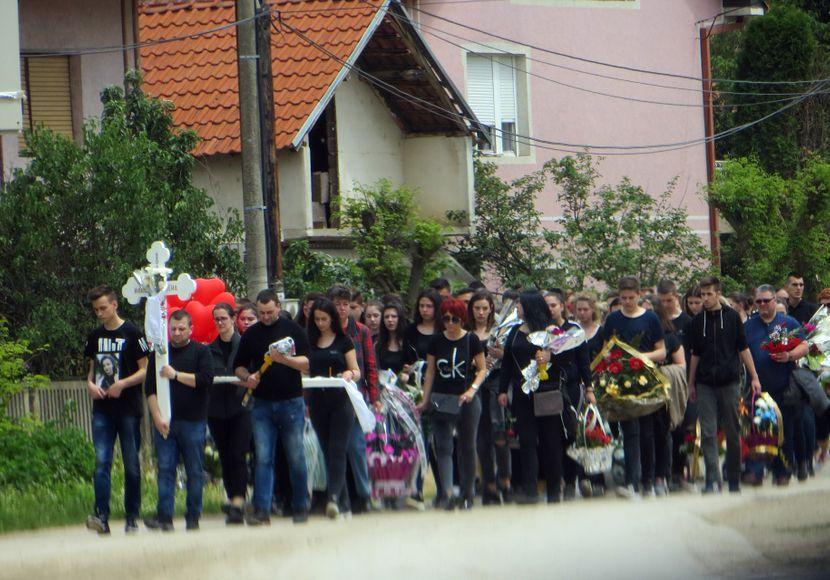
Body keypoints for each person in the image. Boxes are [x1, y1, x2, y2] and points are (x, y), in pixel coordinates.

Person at [234, 289, 311, 525]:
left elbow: (307, 364)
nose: (266, 316)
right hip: (262, 404)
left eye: (269, 312)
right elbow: (238, 366)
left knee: (295, 456)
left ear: (278, 307)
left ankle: (300, 505)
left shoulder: (293, 330)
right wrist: (248, 377)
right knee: (263, 457)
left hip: (291, 401)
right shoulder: (251, 334)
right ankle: (262, 510)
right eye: (261, 312)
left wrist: (284, 360)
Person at [83, 285, 151, 535]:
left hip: (129, 409)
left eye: (103, 308)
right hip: (102, 408)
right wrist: (90, 384)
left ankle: (132, 515)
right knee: (102, 462)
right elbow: (91, 370)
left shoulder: (133, 333)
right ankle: (101, 514)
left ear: (115, 305)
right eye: (96, 310)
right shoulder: (94, 336)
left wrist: (123, 383)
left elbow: (145, 369)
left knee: (132, 464)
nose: (99, 313)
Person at [688, 278, 761, 495]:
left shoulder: (731, 318)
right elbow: (695, 354)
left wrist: (754, 377)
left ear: (718, 293)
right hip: (705, 383)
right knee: (708, 432)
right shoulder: (696, 321)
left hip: (729, 381)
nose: (705, 298)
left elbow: (743, 348)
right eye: (702, 294)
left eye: (709, 294)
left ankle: (733, 476)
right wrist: (690, 383)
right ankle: (712, 478)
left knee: (733, 431)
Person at [144, 310, 215, 531]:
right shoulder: (159, 354)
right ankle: (164, 516)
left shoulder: (201, 352)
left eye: (181, 328)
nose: (176, 333)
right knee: (165, 469)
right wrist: (156, 417)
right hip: (165, 421)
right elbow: (150, 388)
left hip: (193, 421)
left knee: (194, 470)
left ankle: (193, 516)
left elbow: (205, 381)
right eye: (173, 329)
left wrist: (176, 375)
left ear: (190, 329)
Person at [498, 291, 568, 504]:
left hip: (546, 392)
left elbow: (566, 358)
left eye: (519, 305)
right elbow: (508, 362)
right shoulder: (515, 332)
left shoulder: (551, 331)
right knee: (527, 442)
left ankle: (554, 488)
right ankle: (530, 490)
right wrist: (503, 390)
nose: (517, 309)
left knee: (551, 442)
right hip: (522, 394)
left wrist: (550, 356)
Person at [602, 277, 666, 500]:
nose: (627, 302)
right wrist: (615, 361)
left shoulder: (650, 318)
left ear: (639, 295)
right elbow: (606, 350)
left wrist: (638, 357)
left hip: (646, 380)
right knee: (630, 432)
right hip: (623, 381)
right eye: (623, 298)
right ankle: (631, 482)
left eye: (631, 298)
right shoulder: (612, 319)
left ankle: (648, 481)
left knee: (647, 433)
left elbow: (661, 351)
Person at [419, 298, 486, 509]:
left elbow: (482, 369)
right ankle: (446, 492)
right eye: (446, 318)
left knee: (467, 446)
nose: (450, 323)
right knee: (443, 446)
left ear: (462, 319)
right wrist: (425, 398)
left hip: (465, 398)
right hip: (441, 397)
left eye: (454, 319)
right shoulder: (436, 341)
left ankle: (467, 493)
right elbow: (430, 371)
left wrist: (472, 390)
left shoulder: (471, 339)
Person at [744, 284, 809, 486]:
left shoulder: (787, 322)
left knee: (784, 431)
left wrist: (789, 355)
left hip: (783, 386)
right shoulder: (748, 325)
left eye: (766, 300)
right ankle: (756, 471)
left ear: (775, 301)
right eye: (759, 301)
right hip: (757, 387)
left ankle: (783, 471)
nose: (762, 304)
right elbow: (741, 350)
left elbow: (805, 345)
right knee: (757, 430)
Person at [306, 298, 362, 519]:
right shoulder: (309, 341)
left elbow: (356, 370)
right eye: (317, 319)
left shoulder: (343, 341)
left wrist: (349, 374)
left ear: (333, 319)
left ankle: (333, 498)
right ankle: (344, 502)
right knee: (328, 450)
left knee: (338, 448)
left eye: (325, 319)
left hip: (341, 401)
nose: (321, 323)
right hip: (318, 401)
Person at [328, 284, 379, 514]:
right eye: (337, 304)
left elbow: (370, 365)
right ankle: (338, 496)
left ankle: (364, 494)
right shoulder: (324, 330)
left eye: (345, 304)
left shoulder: (361, 331)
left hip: (355, 396)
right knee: (333, 448)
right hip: (329, 396)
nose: (341, 309)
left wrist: (374, 396)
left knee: (357, 446)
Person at [545, 291, 596, 500]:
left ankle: (572, 479)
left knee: (572, 433)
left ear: (562, 306)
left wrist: (590, 388)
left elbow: (584, 362)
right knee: (552, 437)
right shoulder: (540, 332)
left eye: (553, 305)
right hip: (548, 387)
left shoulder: (574, 331)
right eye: (547, 305)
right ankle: (556, 481)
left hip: (572, 387)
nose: (550, 309)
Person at [207, 303, 250, 525]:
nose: (220, 323)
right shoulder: (209, 349)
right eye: (217, 319)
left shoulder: (244, 345)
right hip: (216, 410)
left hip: (240, 408)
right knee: (224, 456)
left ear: (233, 319)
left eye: (224, 318)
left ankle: (238, 500)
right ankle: (231, 494)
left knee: (237, 454)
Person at [468, 290, 513, 505]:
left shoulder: (500, 330)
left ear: (491, 309)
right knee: (482, 440)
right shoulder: (466, 332)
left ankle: (505, 480)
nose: (481, 312)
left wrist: (501, 355)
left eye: (485, 308)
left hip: (496, 385)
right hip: (475, 387)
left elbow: (512, 357)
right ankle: (489, 485)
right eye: (477, 308)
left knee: (499, 435)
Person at [376, 301, 416, 376]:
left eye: (394, 316)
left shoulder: (410, 342)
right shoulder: (378, 344)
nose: (390, 320)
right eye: (386, 317)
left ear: (400, 318)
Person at [574, 295, 603, 361]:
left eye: (585, 309)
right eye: (579, 309)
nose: (582, 312)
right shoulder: (572, 330)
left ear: (593, 309)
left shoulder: (601, 331)